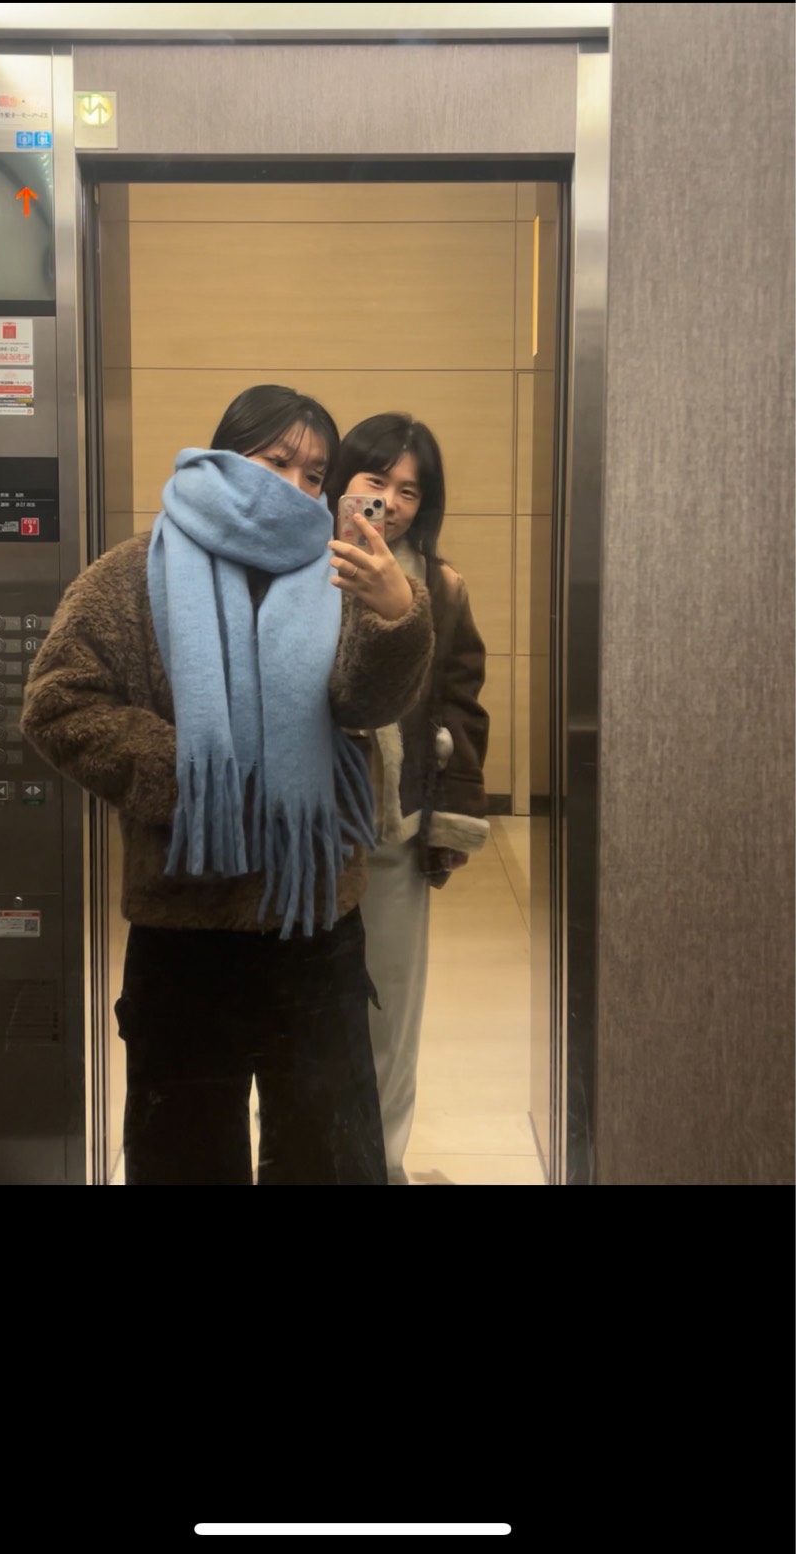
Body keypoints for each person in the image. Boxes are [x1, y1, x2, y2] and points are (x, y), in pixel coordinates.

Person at [20, 385, 433, 1185]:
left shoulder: (336, 569)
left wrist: (393, 617)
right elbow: (58, 702)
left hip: (313, 910)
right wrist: (196, 781)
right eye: (277, 462)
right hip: (186, 916)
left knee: (327, 1154)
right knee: (186, 1155)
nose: (296, 487)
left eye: (314, 475)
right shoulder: (132, 571)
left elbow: (364, 704)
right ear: (222, 455)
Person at [327, 414, 490, 1185]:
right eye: (375, 480)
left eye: (409, 491)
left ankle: (381, 1165)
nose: (388, 503)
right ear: (342, 481)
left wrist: (452, 817)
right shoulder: (296, 568)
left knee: (388, 1013)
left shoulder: (441, 587)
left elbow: (460, 703)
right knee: (297, 1013)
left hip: (393, 827)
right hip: (304, 834)